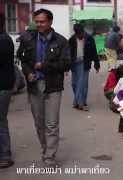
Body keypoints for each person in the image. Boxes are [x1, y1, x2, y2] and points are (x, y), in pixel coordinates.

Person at [17, 9, 71, 167]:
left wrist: (44, 65)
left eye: (42, 21)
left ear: (50, 22)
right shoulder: (28, 39)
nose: (39, 24)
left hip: (53, 86)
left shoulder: (61, 41)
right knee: (39, 122)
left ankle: (50, 156)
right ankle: (45, 147)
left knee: (52, 123)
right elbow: (22, 58)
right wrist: (27, 73)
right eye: (37, 22)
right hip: (35, 86)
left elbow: (66, 63)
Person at [69, 23, 100, 111]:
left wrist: (96, 64)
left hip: (84, 63)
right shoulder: (71, 40)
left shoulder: (89, 38)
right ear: (75, 33)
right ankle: (78, 101)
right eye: (78, 35)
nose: (80, 36)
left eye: (81, 34)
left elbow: (94, 51)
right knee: (74, 84)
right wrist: (66, 67)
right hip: (74, 64)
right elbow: (68, 54)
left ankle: (81, 103)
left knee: (82, 84)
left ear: (83, 31)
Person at [0, 13, 15, 169]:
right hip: (4, 85)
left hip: (2, 87)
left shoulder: (3, 40)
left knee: (0, 121)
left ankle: (5, 155)